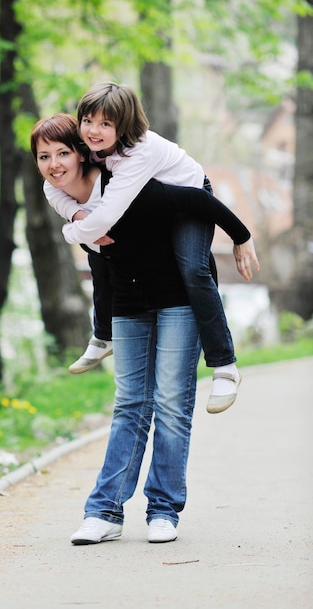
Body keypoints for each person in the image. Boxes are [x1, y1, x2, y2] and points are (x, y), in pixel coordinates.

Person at [30, 113, 255, 544]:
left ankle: (164, 509)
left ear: (84, 154)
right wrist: (103, 331)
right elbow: (101, 276)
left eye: (63, 153)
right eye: (44, 157)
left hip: (178, 301)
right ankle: (105, 512)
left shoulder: (132, 187)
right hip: (130, 308)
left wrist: (241, 237)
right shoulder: (66, 202)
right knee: (130, 405)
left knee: (170, 403)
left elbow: (197, 201)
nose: (54, 164)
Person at [42, 82, 259, 413]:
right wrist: (77, 213)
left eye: (105, 124)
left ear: (123, 125)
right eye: (88, 120)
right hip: (155, 204)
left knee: (192, 269)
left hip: (190, 200)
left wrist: (73, 230)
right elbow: (53, 185)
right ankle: (103, 335)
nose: (94, 131)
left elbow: (107, 217)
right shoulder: (90, 147)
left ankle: (225, 366)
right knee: (100, 254)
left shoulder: (136, 156)